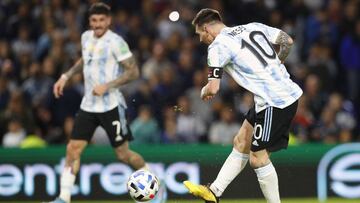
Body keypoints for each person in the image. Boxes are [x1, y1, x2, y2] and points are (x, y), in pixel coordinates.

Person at [48, 3, 166, 203]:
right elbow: (85, 60)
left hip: (111, 106)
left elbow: (133, 71)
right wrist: (65, 76)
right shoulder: (86, 37)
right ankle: (63, 198)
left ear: (109, 21)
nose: (98, 24)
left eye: (102, 20)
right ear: (89, 22)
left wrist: (108, 85)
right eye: (94, 20)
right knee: (72, 150)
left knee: (123, 154)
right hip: (88, 106)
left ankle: (156, 183)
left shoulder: (116, 42)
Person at [183, 8, 302, 203]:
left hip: (275, 101)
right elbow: (287, 41)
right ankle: (214, 191)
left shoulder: (217, 46)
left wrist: (203, 90)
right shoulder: (252, 27)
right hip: (272, 97)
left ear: (206, 28)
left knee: (258, 158)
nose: (200, 40)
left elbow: (213, 88)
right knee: (241, 141)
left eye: (199, 35)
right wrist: (278, 62)